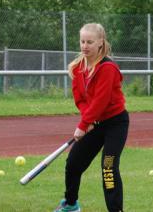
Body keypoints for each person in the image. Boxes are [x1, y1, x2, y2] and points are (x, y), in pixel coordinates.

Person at [54, 23, 129, 212]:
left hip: (115, 123)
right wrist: (88, 121)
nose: (85, 46)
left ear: (100, 43)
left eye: (90, 42)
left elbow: (101, 101)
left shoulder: (108, 68)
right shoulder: (78, 67)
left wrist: (84, 123)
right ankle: (71, 205)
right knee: (73, 164)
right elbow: (80, 99)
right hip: (94, 123)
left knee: (108, 168)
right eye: (82, 41)